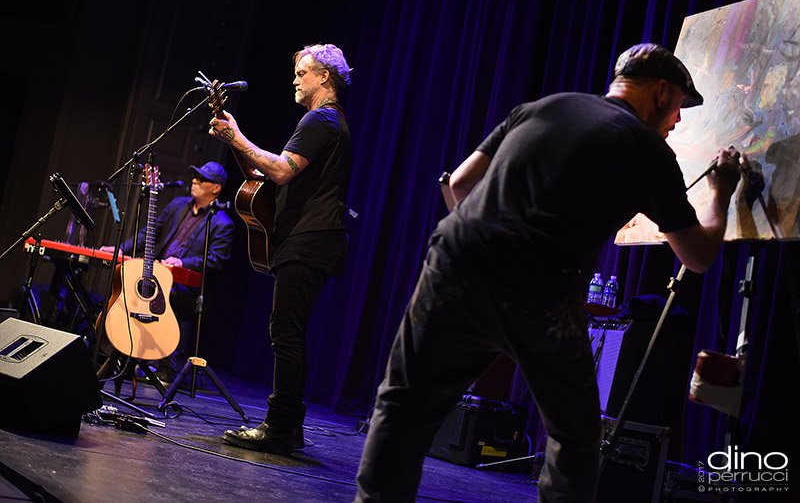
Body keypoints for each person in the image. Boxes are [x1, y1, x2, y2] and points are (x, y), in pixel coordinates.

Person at [354, 43, 744, 502]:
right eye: (678, 105)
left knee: (403, 404)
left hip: (454, 260)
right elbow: (698, 256)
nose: (677, 120)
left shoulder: (542, 106)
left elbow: (459, 184)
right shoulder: (648, 149)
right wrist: (721, 190)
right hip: (538, 288)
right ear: (660, 91)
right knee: (574, 439)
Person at [209, 43, 353, 455]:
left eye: (302, 72)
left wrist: (238, 135)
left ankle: (279, 427)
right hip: (312, 239)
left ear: (324, 76)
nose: (294, 79)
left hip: (311, 239)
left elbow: (280, 171)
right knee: (287, 332)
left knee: (286, 333)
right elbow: (264, 177)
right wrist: (235, 141)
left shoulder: (320, 120)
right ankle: (287, 427)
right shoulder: (326, 121)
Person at [100, 160, 234, 381]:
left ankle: (166, 367)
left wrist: (183, 263)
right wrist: (120, 249)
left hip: (186, 290)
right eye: (194, 176)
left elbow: (215, 259)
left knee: (161, 298)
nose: (194, 181)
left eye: (201, 179)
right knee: (125, 287)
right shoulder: (178, 205)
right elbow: (147, 233)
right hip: (156, 276)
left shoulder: (221, 223)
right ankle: (116, 353)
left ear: (216, 188)